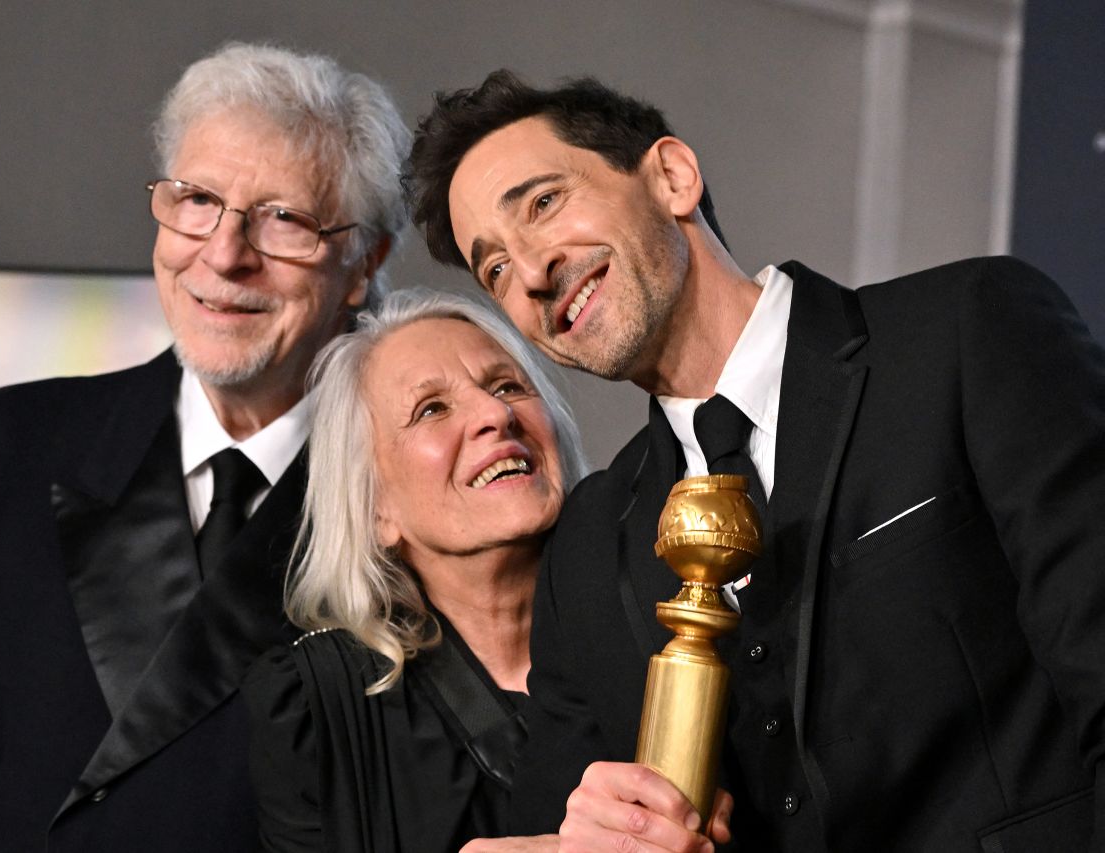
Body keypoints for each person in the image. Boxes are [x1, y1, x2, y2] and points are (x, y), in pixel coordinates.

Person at [404, 71, 1105, 852]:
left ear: (672, 177)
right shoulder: (589, 550)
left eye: (543, 204)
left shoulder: (964, 335)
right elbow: (548, 828)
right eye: (494, 268)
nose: (532, 273)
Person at [0, 42, 408, 852]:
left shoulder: (414, 490)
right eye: (197, 199)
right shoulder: (4, 452)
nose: (224, 253)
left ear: (365, 262)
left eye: (282, 218)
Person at [244, 288, 585, 852]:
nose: (495, 414)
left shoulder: (664, 629)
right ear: (375, 506)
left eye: (507, 386)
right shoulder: (316, 711)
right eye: (432, 409)